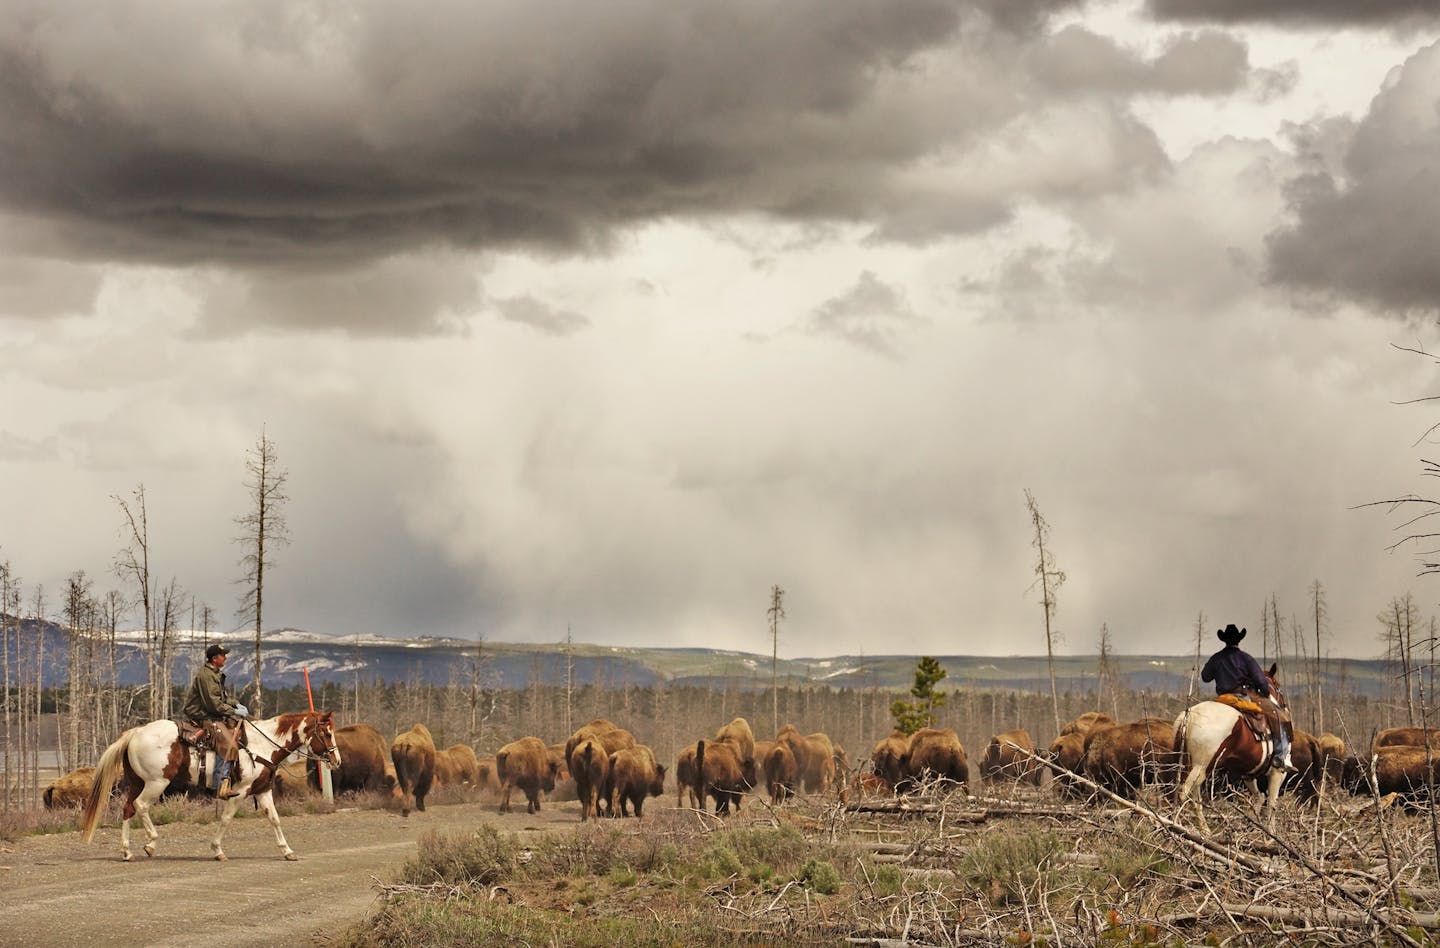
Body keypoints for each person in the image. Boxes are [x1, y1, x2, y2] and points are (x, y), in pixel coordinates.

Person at [1201, 623, 1294, 772]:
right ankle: (1281, 756)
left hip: (1222, 699)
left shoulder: (1216, 658)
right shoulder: (1246, 659)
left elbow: (1205, 677)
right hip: (1241, 698)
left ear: (1224, 641)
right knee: (1278, 715)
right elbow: (1261, 681)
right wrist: (1263, 692)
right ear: (1238, 641)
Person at [182, 643, 250, 798]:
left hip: (212, 713)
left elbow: (223, 698)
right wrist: (233, 711)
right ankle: (220, 784)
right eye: (223, 655)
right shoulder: (206, 675)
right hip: (203, 715)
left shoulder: (215, 674)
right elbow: (213, 705)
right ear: (214, 658)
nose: (225, 657)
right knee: (229, 744)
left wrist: (236, 703)